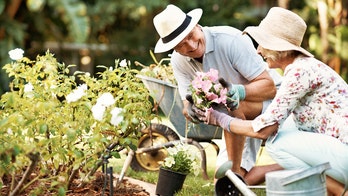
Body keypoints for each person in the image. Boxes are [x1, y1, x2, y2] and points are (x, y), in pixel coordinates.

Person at [193, 7, 348, 196]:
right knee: (285, 128)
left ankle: (339, 191)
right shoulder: (302, 67)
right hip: (339, 148)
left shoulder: (299, 73)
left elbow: (265, 129)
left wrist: (220, 119)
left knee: (275, 142)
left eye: (263, 44)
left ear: (278, 47)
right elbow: (276, 116)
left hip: (344, 153)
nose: (258, 51)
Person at [152, 4, 283, 185]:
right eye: (181, 45)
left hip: (275, 104)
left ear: (197, 26)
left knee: (230, 106)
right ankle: (292, 169)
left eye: (190, 36)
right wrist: (191, 109)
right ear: (174, 49)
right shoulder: (179, 61)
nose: (190, 45)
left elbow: (270, 87)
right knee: (224, 182)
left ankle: (234, 174)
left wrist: (239, 91)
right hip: (236, 119)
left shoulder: (230, 40)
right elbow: (186, 103)